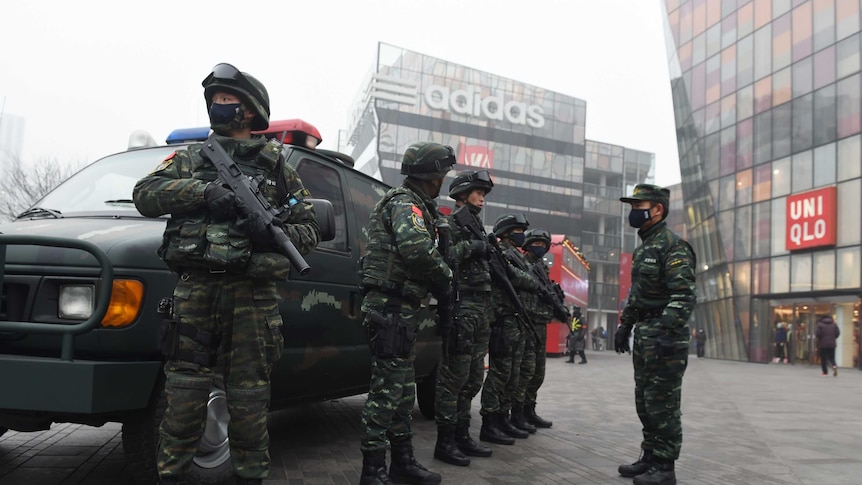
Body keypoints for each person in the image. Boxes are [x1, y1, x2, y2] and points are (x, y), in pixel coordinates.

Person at [133, 63, 321, 485]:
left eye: (227, 101)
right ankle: (172, 477)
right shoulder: (191, 158)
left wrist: (274, 233)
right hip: (195, 290)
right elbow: (145, 194)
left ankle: (248, 477)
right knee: (183, 395)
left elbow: (308, 230)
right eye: (215, 101)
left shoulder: (278, 169)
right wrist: (203, 191)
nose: (218, 108)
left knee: (250, 399)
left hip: (252, 296)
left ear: (250, 111)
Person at [357, 141, 455, 485]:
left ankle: (402, 462)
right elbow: (415, 249)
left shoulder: (415, 204)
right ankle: (372, 471)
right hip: (391, 307)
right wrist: (446, 277)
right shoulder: (405, 203)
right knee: (386, 391)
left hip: (401, 308)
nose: (443, 180)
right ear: (433, 176)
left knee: (402, 391)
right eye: (442, 174)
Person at [614, 184, 696, 485]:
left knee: (663, 404)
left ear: (657, 209)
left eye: (638, 205)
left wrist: (668, 330)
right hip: (646, 335)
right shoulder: (645, 246)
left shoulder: (673, 246)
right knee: (645, 401)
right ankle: (650, 456)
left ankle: (665, 466)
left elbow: (683, 295)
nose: (633, 211)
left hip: (665, 338)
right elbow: (638, 295)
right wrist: (626, 324)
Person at [433, 169, 495, 467]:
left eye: (484, 193)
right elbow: (444, 257)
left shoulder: (478, 226)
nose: (482, 197)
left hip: (481, 307)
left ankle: (461, 434)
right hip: (462, 305)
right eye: (478, 192)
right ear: (462, 193)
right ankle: (445, 442)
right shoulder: (451, 223)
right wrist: (474, 247)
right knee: (453, 379)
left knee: (472, 378)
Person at [479, 213, 537, 445]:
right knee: (500, 373)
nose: (522, 235)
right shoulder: (502, 252)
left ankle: (502, 418)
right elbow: (521, 279)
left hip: (514, 319)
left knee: (511, 373)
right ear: (506, 232)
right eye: (518, 230)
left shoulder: (515, 255)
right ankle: (490, 422)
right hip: (502, 319)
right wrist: (529, 281)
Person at [514, 228, 557, 431]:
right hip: (527, 322)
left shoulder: (542, 268)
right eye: (536, 243)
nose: (540, 247)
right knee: (526, 371)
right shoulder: (522, 264)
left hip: (540, 323)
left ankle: (529, 409)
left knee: (538, 372)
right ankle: (518, 412)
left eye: (543, 245)